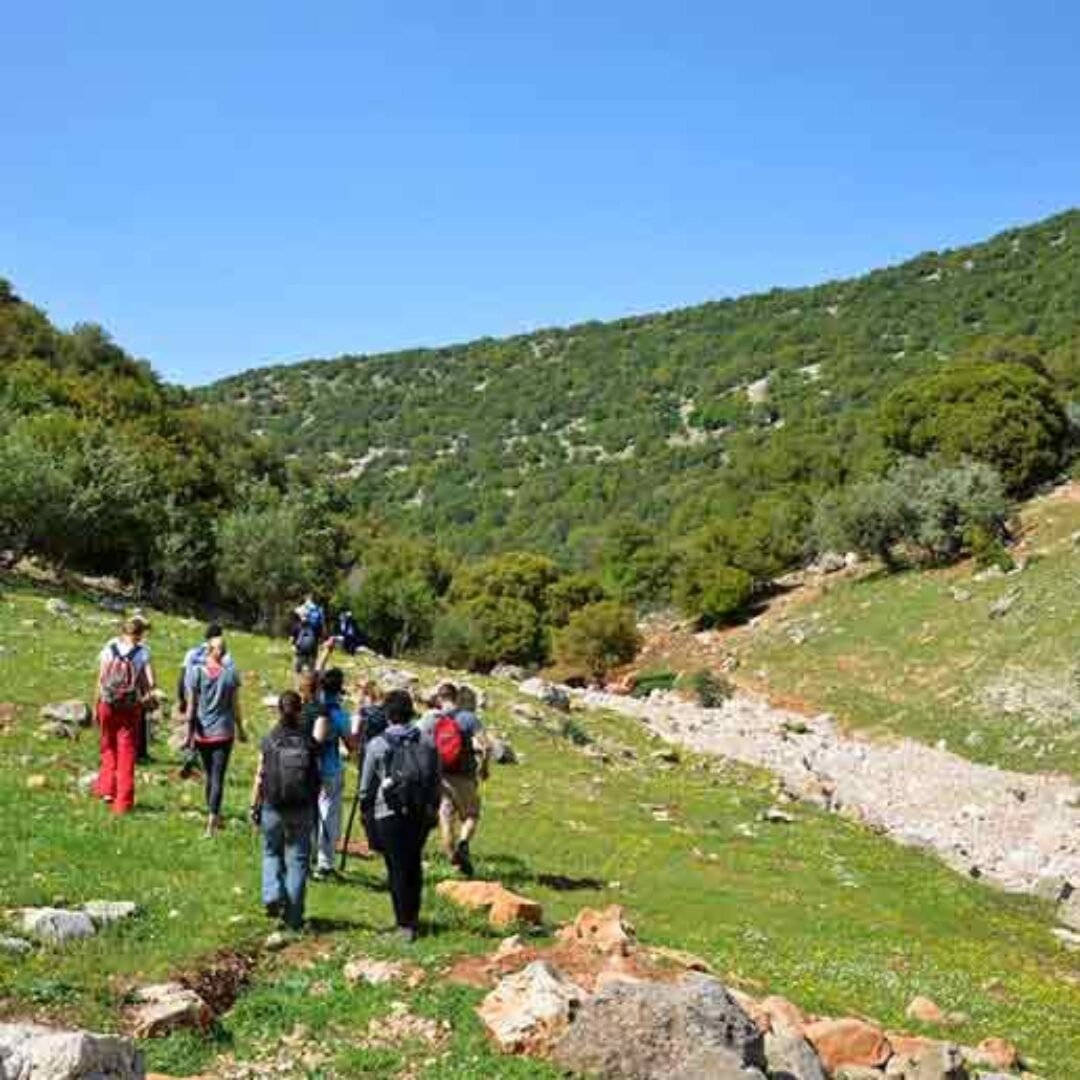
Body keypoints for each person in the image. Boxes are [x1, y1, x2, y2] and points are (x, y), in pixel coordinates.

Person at [359, 689, 440, 942]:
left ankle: (403, 925)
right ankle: (413, 919)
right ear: (410, 712)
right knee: (413, 864)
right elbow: (436, 780)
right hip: (419, 812)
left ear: (388, 714)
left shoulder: (377, 744)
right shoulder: (427, 742)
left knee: (396, 868)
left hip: (388, 812)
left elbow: (365, 788)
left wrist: (366, 813)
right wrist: (432, 808)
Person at [250, 691, 321, 932]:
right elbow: (316, 778)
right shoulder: (309, 742)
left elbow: (260, 776)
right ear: (300, 711)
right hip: (301, 807)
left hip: (273, 805)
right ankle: (294, 917)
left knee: (271, 851)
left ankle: (271, 894)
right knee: (298, 861)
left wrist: (254, 805)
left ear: (279, 710)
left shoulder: (269, 740)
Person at [420, 682, 489, 877]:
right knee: (471, 814)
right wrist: (484, 767)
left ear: (439, 698)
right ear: (456, 697)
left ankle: (453, 862)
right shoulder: (468, 718)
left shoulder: (432, 718)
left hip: (441, 776)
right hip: (464, 775)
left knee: (445, 818)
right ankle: (463, 844)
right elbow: (487, 746)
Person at [186, 632, 246, 838]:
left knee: (209, 775)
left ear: (209, 651)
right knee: (218, 776)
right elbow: (235, 707)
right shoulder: (231, 675)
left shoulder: (196, 672)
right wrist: (241, 729)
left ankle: (212, 815)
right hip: (223, 732)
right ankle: (212, 821)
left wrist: (188, 734)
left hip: (202, 732)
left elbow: (191, 707)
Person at [95, 615, 156, 815]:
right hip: (129, 708)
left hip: (107, 704)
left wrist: (97, 704)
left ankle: (106, 789)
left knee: (107, 745)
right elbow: (151, 682)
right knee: (127, 752)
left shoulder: (109, 648)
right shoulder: (142, 653)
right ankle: (123, 803)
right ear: (140, 634)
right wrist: (146, 695)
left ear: (122, 632)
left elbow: (101, 678)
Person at [311, 668, 356, 881]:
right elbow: (351, 744)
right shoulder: (338, 713)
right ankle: (325, 863)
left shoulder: (312, 707)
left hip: (309, 768)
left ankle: (307, 854)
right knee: (328, 815)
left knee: (310, 813)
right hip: (330, 769)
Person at [177, 623, 223, 778]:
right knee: (206, 730)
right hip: (209, 697)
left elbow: (182, 675)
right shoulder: (220, 654)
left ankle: (189, 755)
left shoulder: (192, 652)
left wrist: (181, 698)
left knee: (191, 727)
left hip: (190, 693)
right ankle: (199, 759)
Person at [290, 595, 326, 673]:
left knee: (298, 670)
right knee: (310, 670)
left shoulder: (297, 625)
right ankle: (309, 678)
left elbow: (292, 638)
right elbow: (321, 635)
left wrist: (292, 646)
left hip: (301, 651)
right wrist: (321, 644)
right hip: (311, 650)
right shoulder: (315, 624)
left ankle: (301, 680)